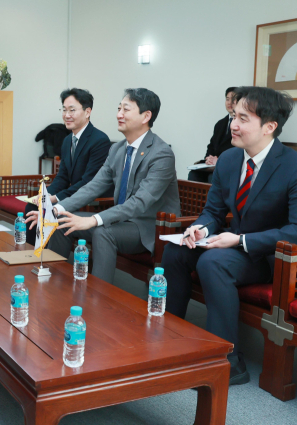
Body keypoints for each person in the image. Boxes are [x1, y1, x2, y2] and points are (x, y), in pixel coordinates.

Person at [161, 86, 295, 386]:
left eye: (243, 118)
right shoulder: (230, 160)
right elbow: (214, 211)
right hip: (233, 246)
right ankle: (170, 337)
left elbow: (295, 231)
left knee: (213, 262)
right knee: (178, 251)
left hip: (273, 257)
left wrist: (240, 241)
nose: (233, 124)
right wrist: (202, 228)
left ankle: (228, 360)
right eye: (234, 116)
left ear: (269, 127)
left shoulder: (292, 166)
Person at [28, 88, 180, 284]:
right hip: (119, 220)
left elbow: (140, 202)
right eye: (119, 108)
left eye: (126, 109)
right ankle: (55, 285)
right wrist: (54, 209)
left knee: (103, 232)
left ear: (146, 116)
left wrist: (94, 219)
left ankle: (98, 299)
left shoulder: (161, 154)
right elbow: (93, 186)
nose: (119, 114)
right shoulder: (117, 149)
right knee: (61, 220)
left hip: (148, 227)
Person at [25, 88, 112, 243]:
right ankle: (31, 253)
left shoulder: (100, 140)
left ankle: (46, 257)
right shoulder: (67, 140)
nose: (67, 115)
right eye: (64, 110)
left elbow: (88, 182)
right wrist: (45, 196)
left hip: (91, 200)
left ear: (87, 112)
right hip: (72, 193)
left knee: (45, 209)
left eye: (72, 110)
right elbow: (62, 177)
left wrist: (55, 198)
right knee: (33, 206)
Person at [188, 87, 237, 183]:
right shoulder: (220, 124)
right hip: (214, 166)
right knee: (194, 175)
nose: (229, 102)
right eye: (227, 99)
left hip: (230, 166)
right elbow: (211, 145)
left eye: (233, 99)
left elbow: (238, 150)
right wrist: (209, 158)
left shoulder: (243, 125)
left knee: (213, 176)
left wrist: (219, 160)